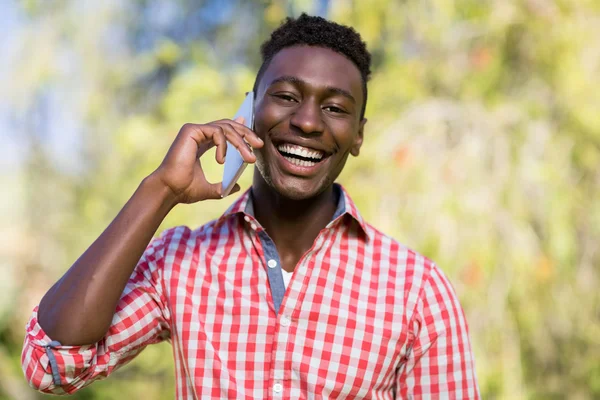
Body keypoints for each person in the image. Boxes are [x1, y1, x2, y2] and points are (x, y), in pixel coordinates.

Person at [21, 14, 480, 399]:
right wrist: (160, 188)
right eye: (286, 96)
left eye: (335, 108)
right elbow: (51, 365)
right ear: (250, 107)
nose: (305, 122)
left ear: (358, 135)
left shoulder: (417, 290)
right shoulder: (180, 261)